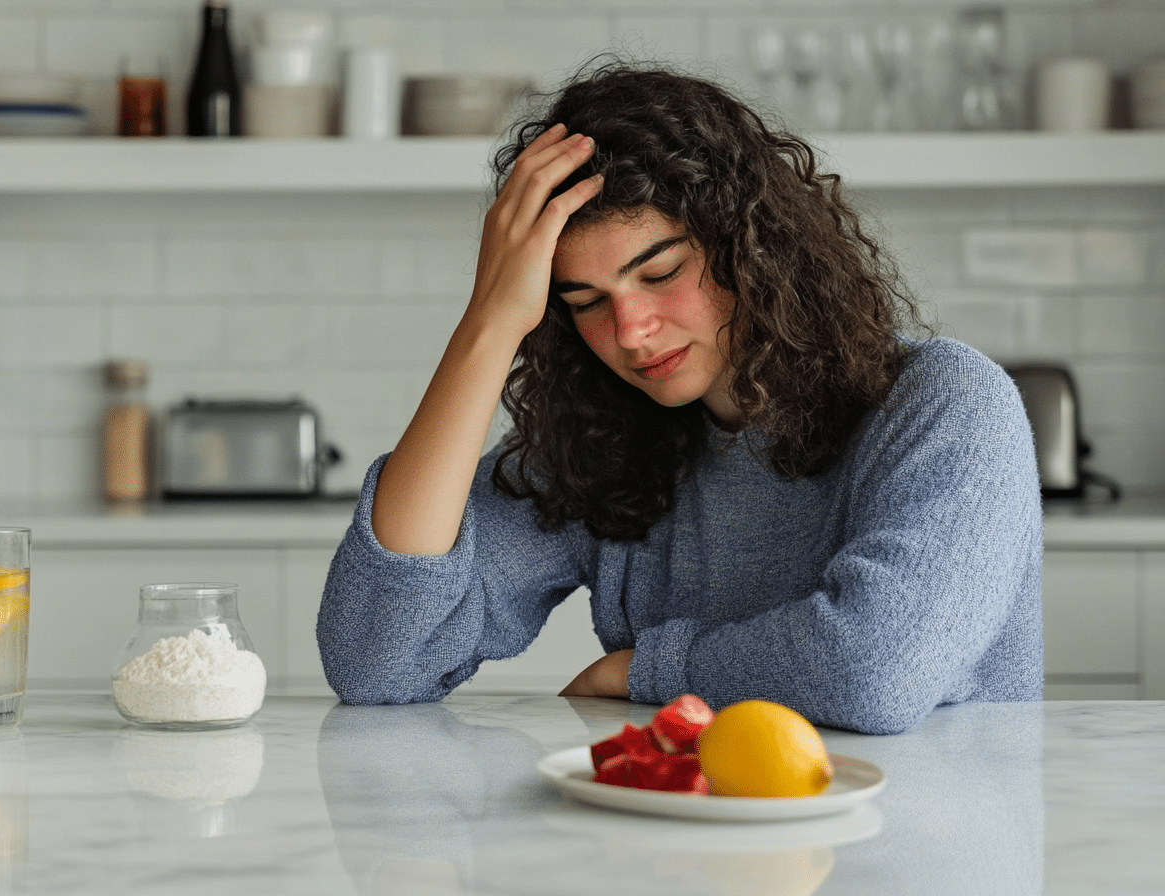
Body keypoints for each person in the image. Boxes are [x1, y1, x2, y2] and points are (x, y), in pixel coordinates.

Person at [316, 60, 1042, 735]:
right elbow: (377, 662)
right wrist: (489, 323)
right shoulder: (606, 441)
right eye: (585, 301)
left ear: (751, 247)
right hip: (685, 855)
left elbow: (875, 672)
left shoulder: (946, 404)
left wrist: (651, 669)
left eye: (660, 272)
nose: (630, 332)